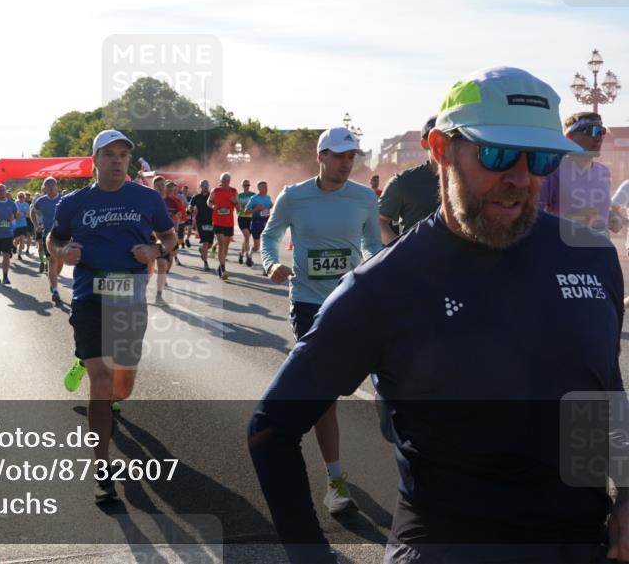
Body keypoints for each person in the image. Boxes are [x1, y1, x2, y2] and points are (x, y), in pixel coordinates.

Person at [249, 66, 627, 563]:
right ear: (440, 150)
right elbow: (271, 430)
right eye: (497, 154)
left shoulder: (591, 258)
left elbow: (607, 392)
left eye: (540, 160)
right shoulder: (383, 285)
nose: (520, 178)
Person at [257, 126, 382, 517]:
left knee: (388, 380)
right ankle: (336, 479)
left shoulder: (364, 197)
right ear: (321, 156)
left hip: (353, 303)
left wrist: (380, 275)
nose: (347, 163)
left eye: (351, 157)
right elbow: (269, 235)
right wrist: (272, 264)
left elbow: (373, 247)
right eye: (339, 156)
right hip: (310, 304)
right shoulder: (294, 196)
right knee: (324, 394)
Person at [48, 129, 175, 504]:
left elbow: (169, 238)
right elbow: (52, 241)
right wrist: (62, 252)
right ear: (95, 161)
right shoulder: (73, 203)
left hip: (130, 301)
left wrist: (154, 249)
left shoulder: (148, 198)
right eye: (110, 154)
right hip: (89, 299)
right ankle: (102, 468)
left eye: (123, 154)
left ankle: (90, 367)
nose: (118, 160)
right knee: (101, 384)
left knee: (122, 388)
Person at [540, 111, 612, 237]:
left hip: (600, 251)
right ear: (569, 137)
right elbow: (532, 219)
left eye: (602, 131)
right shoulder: (552, 171)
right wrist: (571, 220)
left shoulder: (604, 172)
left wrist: (612, 216)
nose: (599, 136)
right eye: (591, 130)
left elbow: (600, 209)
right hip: (564, 252)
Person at [379, 116, 441, 246]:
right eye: (437, 139)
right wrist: (400, 251)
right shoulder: (403, 182)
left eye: (450, 138)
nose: (444, 144)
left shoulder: (470, 179)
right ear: (425, 144)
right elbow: (379, 222)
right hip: (418, 262)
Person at [32, 178, 63, 304]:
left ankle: (53, 278)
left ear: (56, 187)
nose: (50, 187)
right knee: (51, 260)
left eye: (53, 185)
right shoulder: (41, 200)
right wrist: (36, 225)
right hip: (48, 234)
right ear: (44, 188)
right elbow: (33, 211)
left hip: (62, 234)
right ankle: (55, 290)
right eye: (48, 185)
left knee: (60, 261)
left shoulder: (63, 199)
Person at [208, 172, 238, 280]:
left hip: (229, 222)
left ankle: (220, 265)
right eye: (223, 181)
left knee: (225, 247)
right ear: (220, 181)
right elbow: (209, 202)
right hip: (217, 221)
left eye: (227, 181)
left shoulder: (234, 191)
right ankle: (223, 268)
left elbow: (238, 207)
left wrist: (235, 202)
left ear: (229, 181)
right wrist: (213, 206)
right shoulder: (215, 191)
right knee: (221, 243)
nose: (225, 183)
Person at [245, 180, 272, 275]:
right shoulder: (254, 198)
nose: (266, 189)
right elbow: (246, 211)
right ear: (259, 189)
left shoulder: (268, 198)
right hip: (256, 224)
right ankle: (249, 255)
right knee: (257, 246)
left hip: (266, 224)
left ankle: (266, 268)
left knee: (265, 246)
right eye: (264, 187)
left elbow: (269, 206)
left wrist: (270, 206)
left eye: (267, 187)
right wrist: (256, 209)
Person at [191, 180, 215, 270]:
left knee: (210, 244)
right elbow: (190, 205)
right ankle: (205, 263)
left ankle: (202, 250)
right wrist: (189, 208)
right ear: (200, 187)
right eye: (203, 185)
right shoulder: (197, 197)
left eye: (206, 185)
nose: (205, 187)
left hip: (211, 222)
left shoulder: (211, 196)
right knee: (205, 242)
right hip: (200, 222)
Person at [237, 179, 256, 267]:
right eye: (245, 185)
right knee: (247, 236)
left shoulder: (253, 195)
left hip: (251, 219)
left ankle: (241, 253)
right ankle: (248, 256)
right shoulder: (239, 195)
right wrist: (241, 209)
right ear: (242, 186)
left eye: (248, 185)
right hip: (242, 218)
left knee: (246, 238)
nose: (247, 187)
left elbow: (256, 205)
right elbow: (237, 208)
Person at [13, 191, 32, 258]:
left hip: (24, 224)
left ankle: (19, 254)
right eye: (20, 197)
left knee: (22, 239)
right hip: (16, 225)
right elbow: (14, 214)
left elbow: (28, 214)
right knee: (17, 239)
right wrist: (19, 214)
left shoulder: (26, 204)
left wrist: (22, 213)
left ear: (24, 197)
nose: (21, 198)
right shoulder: (15, 204)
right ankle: (14, 246)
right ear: (17, 197)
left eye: (23, 197)